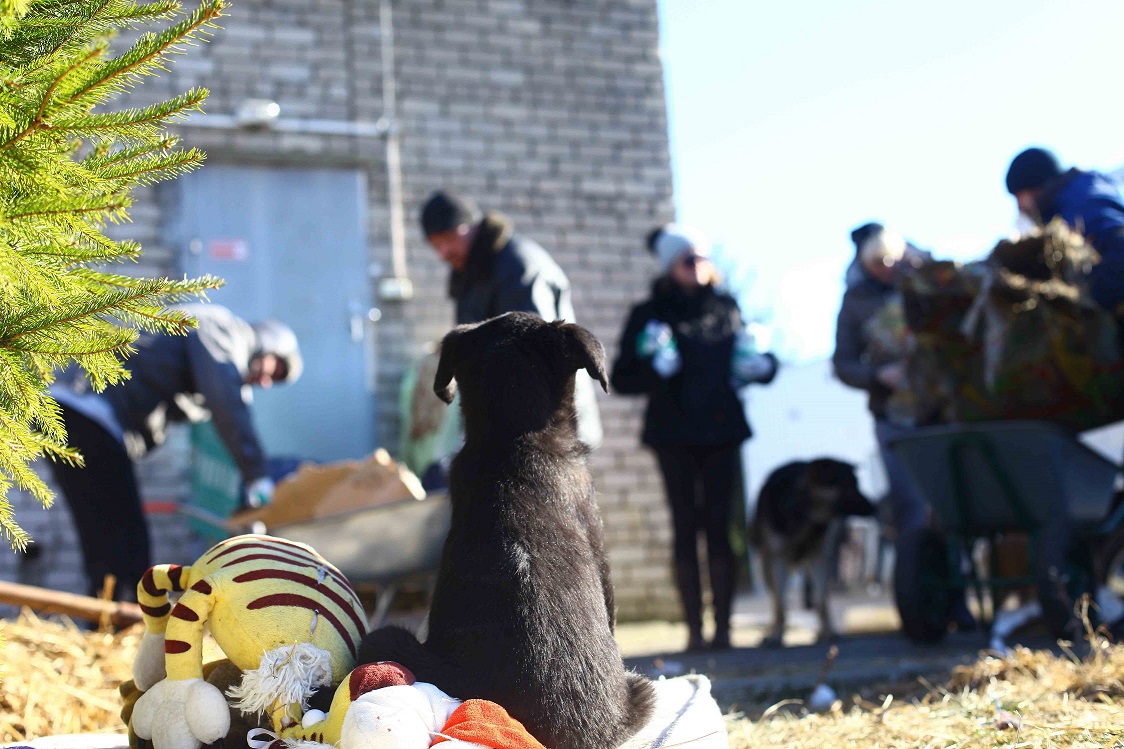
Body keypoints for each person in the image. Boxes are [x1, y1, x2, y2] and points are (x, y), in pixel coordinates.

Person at [48, 304, 302, 600]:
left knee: (106, 534)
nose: (266, 382)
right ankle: (119, 622)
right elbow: (227, 402)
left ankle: (107, 623)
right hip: (89, 412)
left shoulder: (212, 342)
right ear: (267, 344)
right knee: (125, 539)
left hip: (77, 413)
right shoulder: (223, 330)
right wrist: (257, 476)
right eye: (275, 368)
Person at [610, 224, 777, 651]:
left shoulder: (725, 307)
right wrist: (654, 369)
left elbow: (748, 359)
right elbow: (623, 377)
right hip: (673, 433)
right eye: (688, 259)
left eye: (703, 257)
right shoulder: (649, 313)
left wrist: (765, 367)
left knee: (720, 526)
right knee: (686, 526)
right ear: (671, 266)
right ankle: (694, 631)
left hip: (722, 430)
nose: (699, 266)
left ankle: (724, 629)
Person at [419, 189, 602, 449]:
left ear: (472, 225)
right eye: (436, 245)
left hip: (546, 424)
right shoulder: (471, 272)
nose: (444, 251)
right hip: (507, 420)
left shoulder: (518, 266)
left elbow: (537, 354)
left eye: (449, 237)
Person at [833, 223, 927, 535]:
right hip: (891, 413)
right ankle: (916, 576)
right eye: (877, 264)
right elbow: (843, 363)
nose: (886, 269)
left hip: (938, 407)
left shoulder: (922, 279)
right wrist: (877, 375)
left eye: (890, 261)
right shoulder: (855, 300)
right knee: (908, 501)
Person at [1005, 147, 1124, 314]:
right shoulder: (1081, 193)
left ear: (1035, 187)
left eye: (1018, 196)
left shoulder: (1079, 202)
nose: (1019, 206)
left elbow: (1119, 246)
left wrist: (1092, 300)